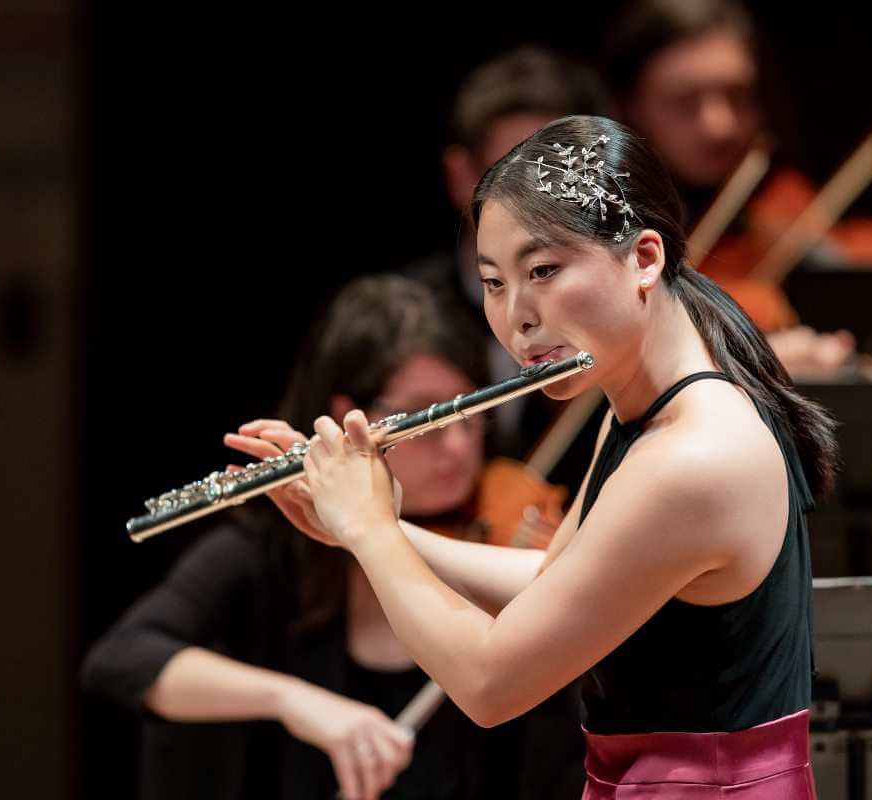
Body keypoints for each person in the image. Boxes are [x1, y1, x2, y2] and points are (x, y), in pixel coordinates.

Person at [242, 115, 836, 798]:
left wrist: (371, 533)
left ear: (645, 258)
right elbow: (560, 582)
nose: (517, 316)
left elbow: (492, 685)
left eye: (544, 270)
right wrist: (367, 526)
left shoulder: (693, 457)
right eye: (495, 281)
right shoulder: (644, 407)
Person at [82, 275, 583, 800]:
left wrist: (376, 530)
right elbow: (120, 659)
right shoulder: (268, 553)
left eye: (469, 418)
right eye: (428, 418)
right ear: (350, 417)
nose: (459, 447)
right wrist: (292, 700)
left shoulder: (500, 543)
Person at [603, 0, 872, 372]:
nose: (721, 125)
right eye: (684, 102)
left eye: (736, 95)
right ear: (629, 107)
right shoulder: (601, 229)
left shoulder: (780, 197)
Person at [401, 45, 612, 461]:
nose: (538, 204)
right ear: (462, 176)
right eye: (509, 174)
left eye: (558, 175)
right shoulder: (403, 315)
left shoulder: (617, 301)